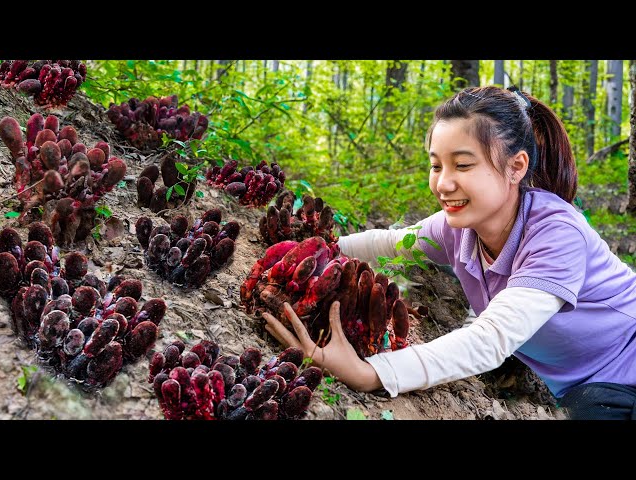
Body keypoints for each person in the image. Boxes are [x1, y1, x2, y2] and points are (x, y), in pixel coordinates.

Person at [262, 85, 636, 420]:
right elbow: (390, 243)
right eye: (436, 165)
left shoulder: (556, 233)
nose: (443, 183)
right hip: (572, 373)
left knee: (588, 405)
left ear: (516, 167)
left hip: (623, 372)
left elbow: (490, 339)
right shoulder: (459, 226)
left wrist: (371, 373)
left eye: (463, 165)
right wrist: (313, 250)